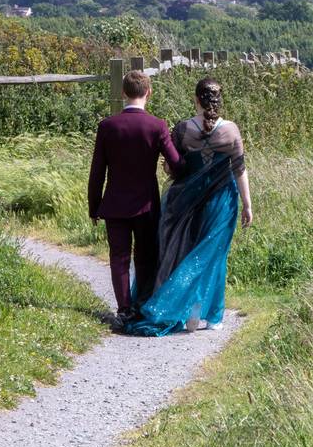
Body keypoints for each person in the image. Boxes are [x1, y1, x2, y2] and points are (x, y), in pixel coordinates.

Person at [125, 77, 253, 336]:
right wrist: (248, 205)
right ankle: (213, 315)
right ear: (220, 100)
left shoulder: (183, 129)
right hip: (222, 201)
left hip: (186, 201)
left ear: (195, 99)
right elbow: (239, 170)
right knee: (214, 255)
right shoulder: (231, 131)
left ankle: (188, 312)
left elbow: (172, 166)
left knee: (188, 253)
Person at [87, 70, 182, 328]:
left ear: (122, 93)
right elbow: (176, 163)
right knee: (145, 256)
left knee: (119, 257)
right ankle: (142, 304)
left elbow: (97, 171)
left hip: (115, 203)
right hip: (146, 204)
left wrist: (93, 206)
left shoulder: (107, 126)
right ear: (148, 92)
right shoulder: (157, 126)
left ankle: (124, 310)